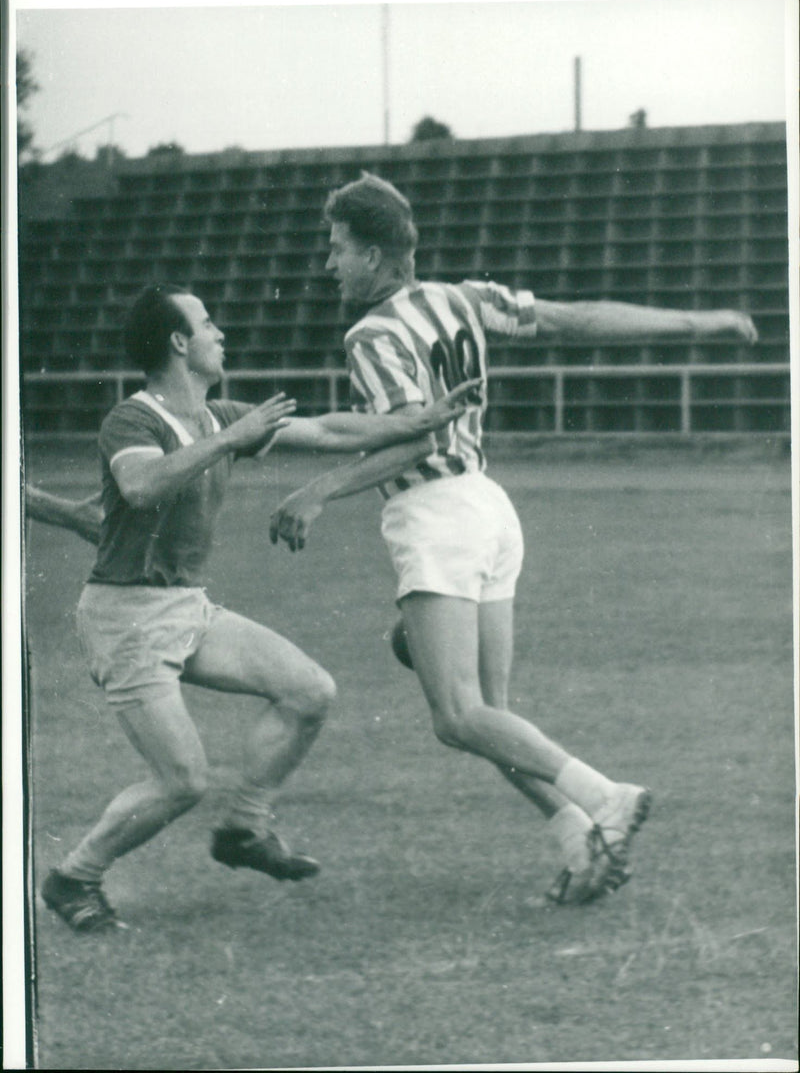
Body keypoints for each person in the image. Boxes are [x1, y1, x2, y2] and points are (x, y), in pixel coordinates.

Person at [269, 172, 759, 905]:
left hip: (437, 513)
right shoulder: (464, 298)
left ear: (374, 255)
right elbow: (578, 319)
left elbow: (410, 439)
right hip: (490, 509)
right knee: (488, 717)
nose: (329, 263)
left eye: (338, 248)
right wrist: (699, 323)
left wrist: (317, 491)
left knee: (458, 718)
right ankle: (579, 840)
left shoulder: (371, 336)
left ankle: (604, 798)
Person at [36, 282, 477, 933]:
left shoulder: (218, 417)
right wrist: (230, 437)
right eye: (208, 324)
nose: (222, 334)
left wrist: (416, 421)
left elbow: (328, 430)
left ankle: (245, 827)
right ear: (179, 343)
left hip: (184, 606)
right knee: (183, 781)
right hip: (125, 619)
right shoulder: (133, 420)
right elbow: (140, 484)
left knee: (308, 691)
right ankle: (74, 876)